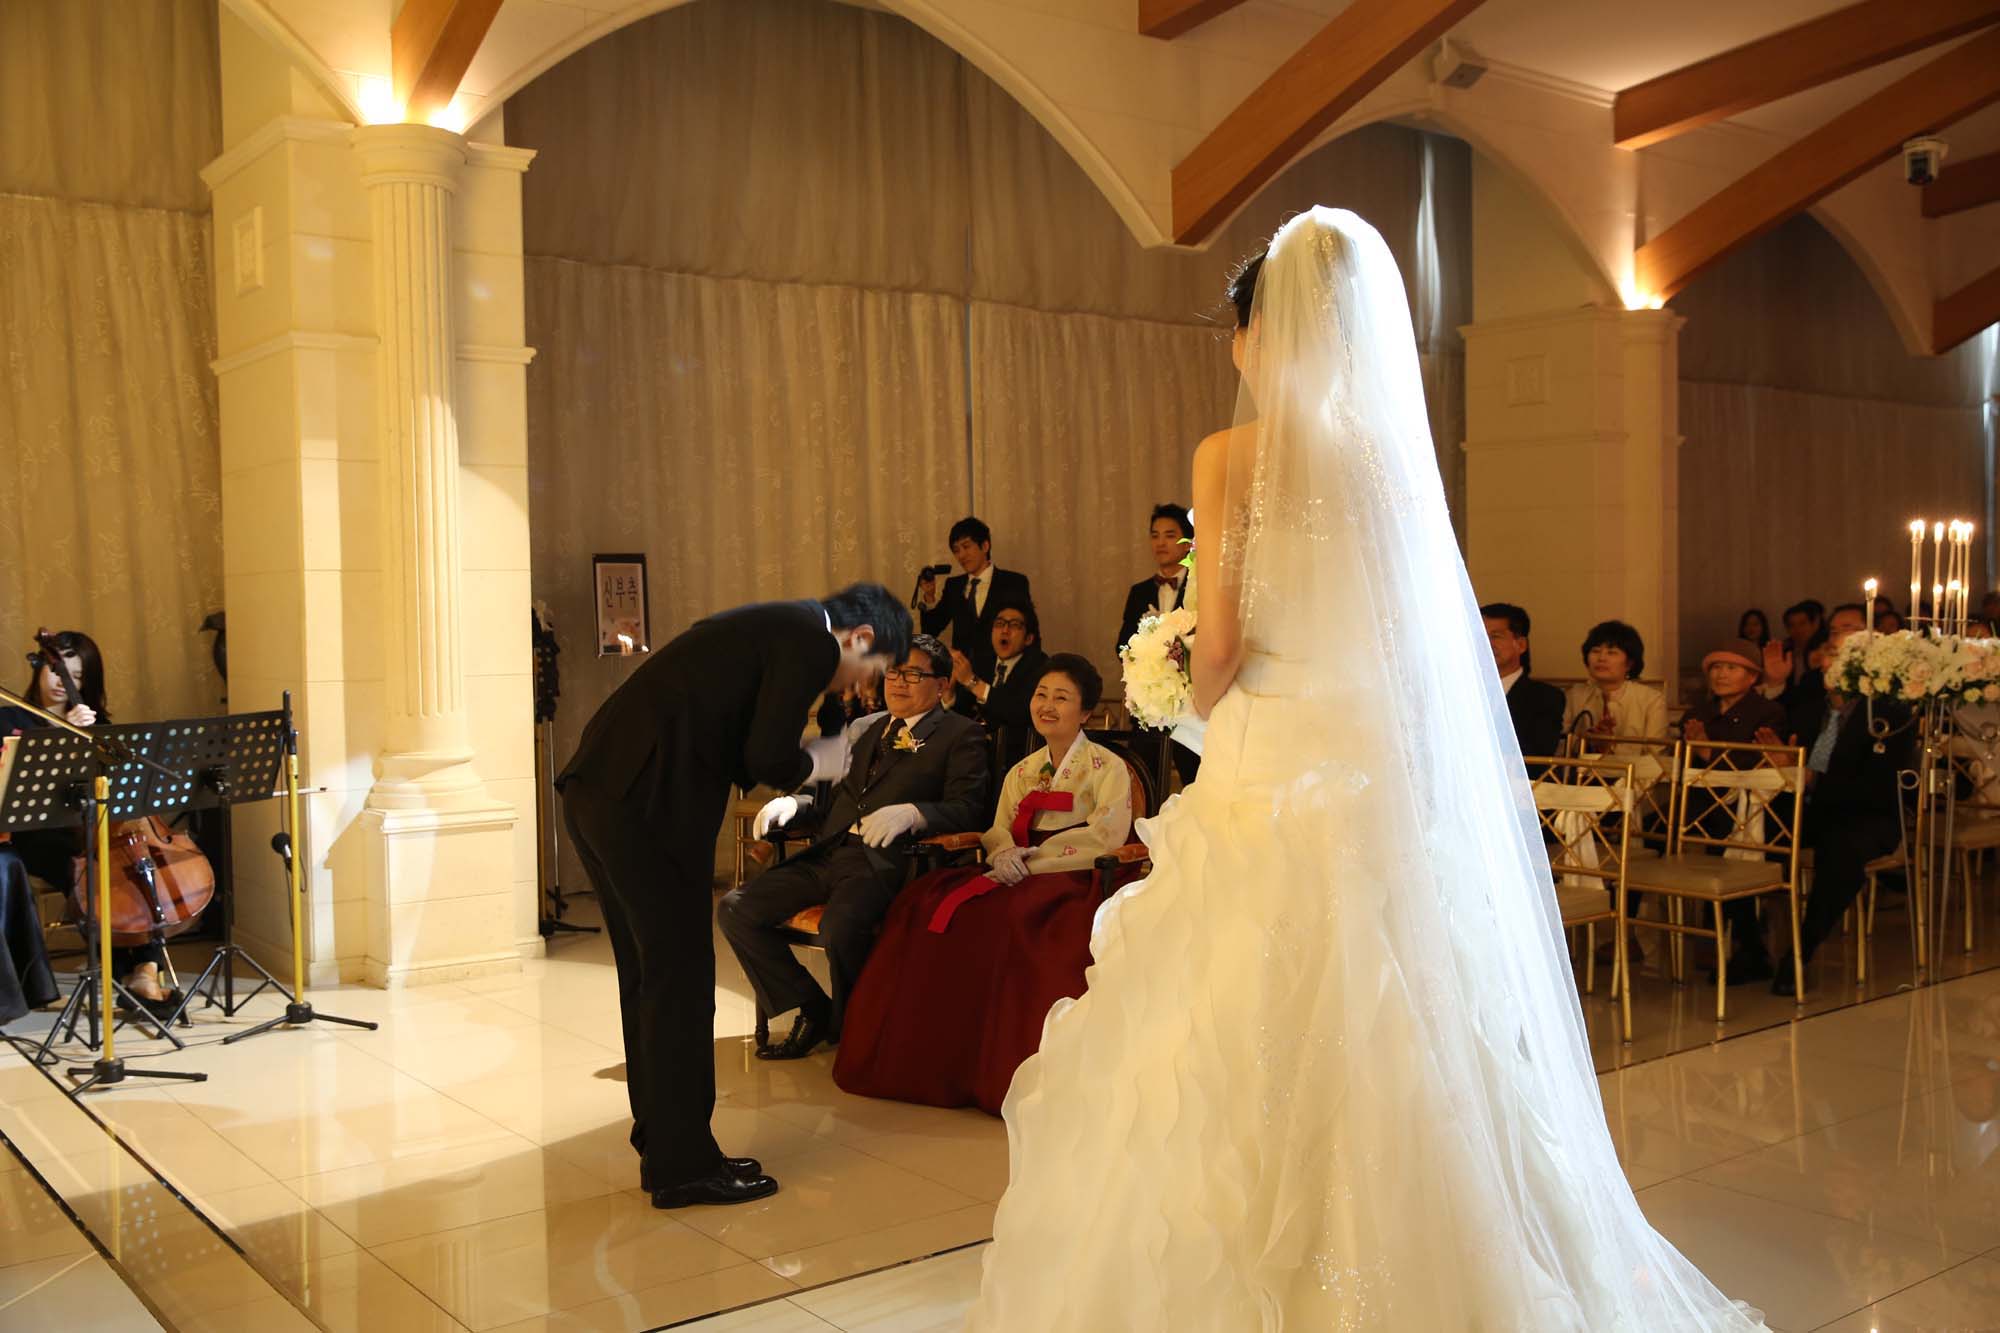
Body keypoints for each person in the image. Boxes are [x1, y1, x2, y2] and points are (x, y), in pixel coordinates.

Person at [967, 210, 1766, 1329]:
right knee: (1396, 1010)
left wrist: (1176, 679)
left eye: (1240, 331)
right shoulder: (1388, 459)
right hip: (1367, 771)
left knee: (1239, 1011)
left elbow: (1223, 644)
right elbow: (1405, 647)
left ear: (1264, 331)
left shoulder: (1229, 457)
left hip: (1268, 762)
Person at [556, 583, 908, 1210]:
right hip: (649, 803)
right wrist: (827, 759)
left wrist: (813, 746)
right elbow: (767, 755)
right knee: (681, 981)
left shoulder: (770, 624)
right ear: (859, 638)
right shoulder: (808, 640)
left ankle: (666, 1141)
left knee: (649, 975)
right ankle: (684, 1166)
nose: (860, 684)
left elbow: (738, 740)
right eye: (871, 668)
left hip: (604, 789)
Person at [833, 654, 1133, 1114]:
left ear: (1086, 712)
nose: (1047, 705)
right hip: (1015, 867)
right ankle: (937, 1060)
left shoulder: (1107, 767)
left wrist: (1034, 859)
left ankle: (999, 1067)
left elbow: (1105, 835)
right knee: (924, 904)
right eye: (1041, 695)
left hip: (1073, 874)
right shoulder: (1022, 770)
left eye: (1061, 698)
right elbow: (997, 829)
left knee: (1011, 918)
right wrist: (1005, 853)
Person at [718, 635, 988, 1059]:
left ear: (941, 685)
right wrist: (793, 805)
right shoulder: (867, 728)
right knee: (737, 908)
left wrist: (915, 814)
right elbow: (828, 799)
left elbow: (968, 809)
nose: (898, 682)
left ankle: (859, 1026)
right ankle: (813, 1010)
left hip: (885, 862)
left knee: (840, 927)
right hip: (829, 852)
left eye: (913, 674)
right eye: (893, 672)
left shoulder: (960, 734)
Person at [3, 631, 178, 1014]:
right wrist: (57, 731)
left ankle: (145, 969)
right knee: (86, 874)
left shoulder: (96, 723)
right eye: (56, 670)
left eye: (77, 676)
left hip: (92, 828)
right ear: (40, 667)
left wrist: (91, 735)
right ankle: (130, 969)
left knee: (138, 870)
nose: (62, 681)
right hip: (30, 834)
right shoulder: (10, 717)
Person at [1683, 638, 1793, 983]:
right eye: (1716, 668)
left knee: (1727, 845)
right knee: (1652, 831)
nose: (1721, 675)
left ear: (1752, 677)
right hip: (1703, 805)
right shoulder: (1698, 713)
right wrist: (1694, 752)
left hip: (1758, 810)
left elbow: (1754, 766)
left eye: (1731, 668)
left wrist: (1707, 754)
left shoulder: (1768, 714)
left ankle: (1745, 946)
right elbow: (1679, 762)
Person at [1117, 504, 1202, 786]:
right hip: (1152, 705)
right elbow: (1122, 646)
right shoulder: (1139, 591)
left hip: (1192, 706)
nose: (1160, 543)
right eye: (1155, 535)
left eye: (1169, 535)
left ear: (1187, 542)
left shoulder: (1200, 586)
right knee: (1143, 782)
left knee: (1195, 782)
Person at [917, 517, 1032, 680]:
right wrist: (929, 596)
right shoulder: (954, 586)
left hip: (1002, 677)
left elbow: (1027, 631)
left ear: (985, 546)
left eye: (966, 546)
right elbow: (931, 630)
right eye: (956, 550)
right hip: (961, 679)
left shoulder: (1014, 582)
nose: (961, 555)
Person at [949, 599, 1046, 774]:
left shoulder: (1040, 666)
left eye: (1014, 625)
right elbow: (961, 711)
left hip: (1016, 761)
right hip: (973, 758)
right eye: (999, 624)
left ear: (1028, 638)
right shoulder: (981, 662)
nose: (1005, 630)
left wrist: (973, 682)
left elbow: (1019, 710)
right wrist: (948, 692)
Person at [1563, 619, 1667, 752]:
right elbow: (1559, 745)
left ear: (1629, 663)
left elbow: (1655, 753)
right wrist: (1589, 743)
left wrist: (1610, 746)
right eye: (1595, 651)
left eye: (1611, 653)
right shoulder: (1573, 696)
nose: (1601, 658)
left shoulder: (1652, 700)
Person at [1481, 602, 1565, 761]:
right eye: (1480, 636)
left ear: (1520, 645)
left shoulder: (1546, 697)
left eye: (1495, 636)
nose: (1486, 644)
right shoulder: (1461, 693)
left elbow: (1538, 755)